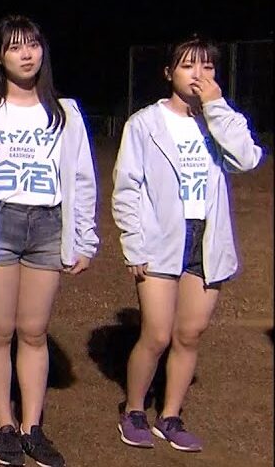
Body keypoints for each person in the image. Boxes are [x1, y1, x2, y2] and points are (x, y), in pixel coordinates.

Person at [0, 15, 98, 467]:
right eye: (14, 47)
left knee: (34, 332)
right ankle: (4, 424)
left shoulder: (65, 113)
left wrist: (84, 237)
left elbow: (82, 177)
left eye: (33, 44)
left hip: (48, 225)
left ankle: (33, 426)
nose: (26, 54)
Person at [112, 36, 263, 453]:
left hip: (206, 238)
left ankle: (171, 416)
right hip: (161, 237)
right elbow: (127, 187)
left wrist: (216, 107)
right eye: (188, 66)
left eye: (208, 67)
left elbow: (247, 159)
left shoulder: (219, 118)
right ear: (168, 73)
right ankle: (134, 409)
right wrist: (134, 243)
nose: (199, 74)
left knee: (190, 334)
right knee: (157, 334)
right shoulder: (145, 123)